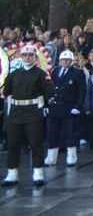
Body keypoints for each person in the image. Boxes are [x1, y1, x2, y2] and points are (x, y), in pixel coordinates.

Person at [2, 45, 50, 187]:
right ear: (21, 57)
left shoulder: (41, 74)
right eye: (25, 55)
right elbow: (6, 92)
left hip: (33, 112)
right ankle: (12, 174)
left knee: (35, 143)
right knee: (13, 144)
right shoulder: (14, 74)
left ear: (35, 57)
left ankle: (38, 174)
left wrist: (45, 107)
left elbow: (48, 92)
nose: (27, 58)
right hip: (16, 112)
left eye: (30, 55)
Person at [45, 50, 86, 167]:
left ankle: (71, 156)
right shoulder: (55, 71)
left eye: (68, 60)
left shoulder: (78, 73)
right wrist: (48, 103)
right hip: (55, 106)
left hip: (69, 107)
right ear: (60, 61)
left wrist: (78, 106)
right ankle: (51, 157)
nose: (65, 62)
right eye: (63, 60)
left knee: (70, 133)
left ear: (71, 61)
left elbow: (82, 91)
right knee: (52, 133)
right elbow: (51, 87)